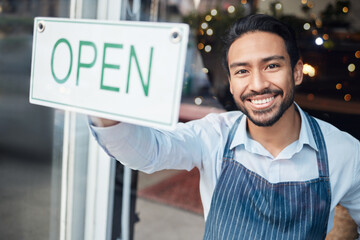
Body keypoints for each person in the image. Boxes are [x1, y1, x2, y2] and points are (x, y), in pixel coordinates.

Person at [89, 14, 360, 239]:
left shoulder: (343, 152)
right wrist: (103, 110)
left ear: (297, 71)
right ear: (230, 83)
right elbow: (149, 151)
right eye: (242, 71)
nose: (257, 84)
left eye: (272, 65)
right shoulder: (214, 135)